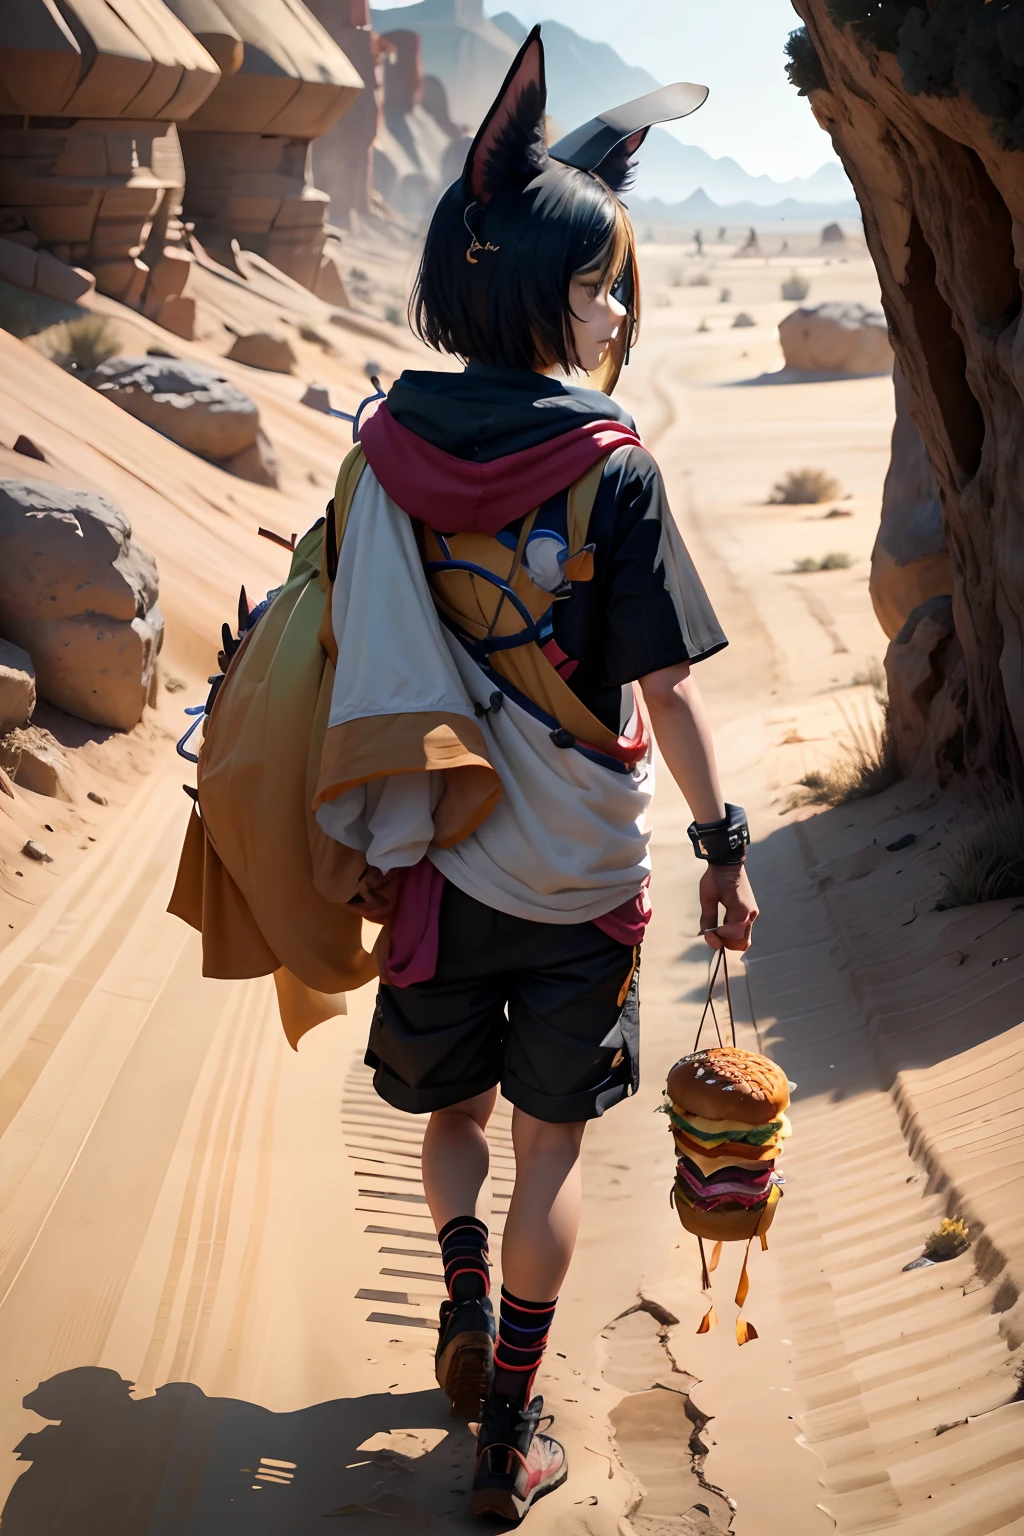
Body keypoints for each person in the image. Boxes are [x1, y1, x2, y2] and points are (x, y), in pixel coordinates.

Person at [321, 29, 757, 1523]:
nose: (616, 307)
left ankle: (455, 1294)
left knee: (451, 1121)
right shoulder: (612, 463)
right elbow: (669, 685)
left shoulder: (380, 450)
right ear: (523, 284)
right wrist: (724, 842)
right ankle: (508, 1428)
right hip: (577, 873)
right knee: (549, 1148)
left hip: (435, 853)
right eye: (595, 281)